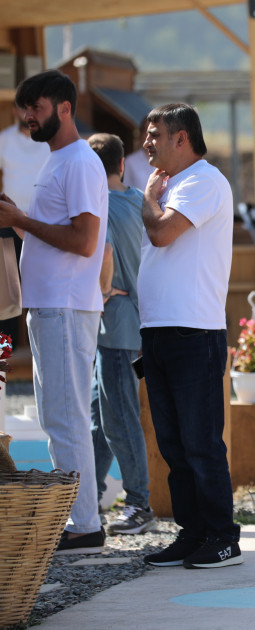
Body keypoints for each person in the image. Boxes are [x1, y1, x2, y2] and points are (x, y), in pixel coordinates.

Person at [0, 70, 109, 554]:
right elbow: (55, 238)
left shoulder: (79, 162)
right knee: (57, 417)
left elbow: (85, 242)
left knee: (65, 419)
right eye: (25, 109)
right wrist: (20, 223)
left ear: (65, 108)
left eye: (36, 107)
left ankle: (85, 525)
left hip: (64, 307)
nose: (28, 116)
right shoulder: (61, 159)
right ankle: (78, 518)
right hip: (51, 305)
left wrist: (20, 219)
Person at [137, 103, 241, 569]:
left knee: (201, 442)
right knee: (174, 445)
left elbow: (162, 234)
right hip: (159, 329)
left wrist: (146, 199)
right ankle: (193, 532)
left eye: (155, 134)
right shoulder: (170, 184)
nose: (146, 143)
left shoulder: (203, 181)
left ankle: (223, 537)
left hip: (193, 330)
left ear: (182, 138)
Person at [86, 132, 153, 534]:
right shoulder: (137, 200)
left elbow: (105, 254)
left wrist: (103, 290)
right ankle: (87, 498)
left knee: (119, 420)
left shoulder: (101, 206)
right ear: (122, 164)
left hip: (115, 324)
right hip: (136, 321)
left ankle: (140, 504)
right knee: (99, 418)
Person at [0, 105, 51, 346]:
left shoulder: (48, 141)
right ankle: (5, 355)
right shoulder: (4, 140)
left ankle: (37, 350)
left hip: (41, 225)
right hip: (8, 223)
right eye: (23, 108)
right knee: (8, 292)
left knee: (40, 288)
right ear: (14, 111)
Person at [122, 116, 152, 192]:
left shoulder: (168, 160)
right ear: (141, 134)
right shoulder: (130, 161)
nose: (149, 136)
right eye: (146, 131)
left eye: (153, 132)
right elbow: (126, 188)